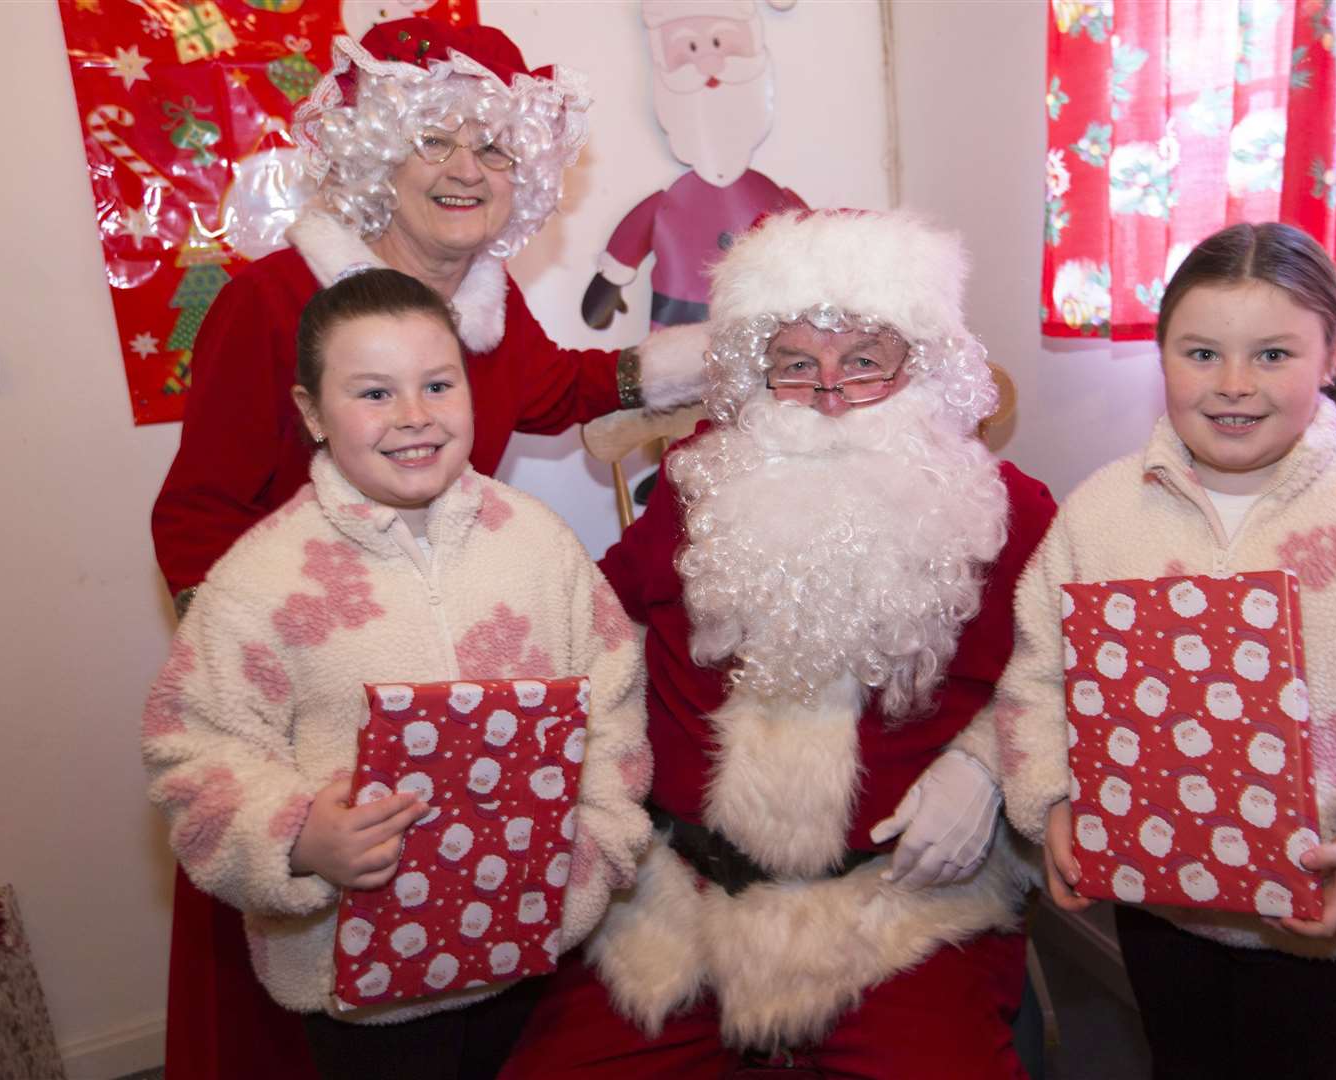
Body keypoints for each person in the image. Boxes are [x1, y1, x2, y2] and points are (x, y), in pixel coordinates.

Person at [148, 19, 697, 1076]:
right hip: (317, 728)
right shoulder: (272, 304)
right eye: (433, 141)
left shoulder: (482, 311)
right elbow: (195, 519)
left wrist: (712, 358)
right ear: (374, 151)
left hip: (462, 719)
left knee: (481, 1019)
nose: (465, 171)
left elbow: (562, 392)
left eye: (492, 149)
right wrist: (259, 701)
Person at [499, 208, 1059, 1078]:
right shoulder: (701, 482)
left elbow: (1069, 670)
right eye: (797, 366)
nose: (830, 394)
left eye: (865, 362)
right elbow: (590, 625)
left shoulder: (1006, 508)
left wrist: (987, 760)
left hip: (898, 919)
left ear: (923, 364)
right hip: (673, 909)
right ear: (756, 376)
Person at [993, 222, 1336, 1080]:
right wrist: (1054, 802)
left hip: (1329, 922)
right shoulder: (1101, 514)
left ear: (1331, 355)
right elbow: (1040, 676)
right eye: (1202, 353)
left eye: (1274, 355)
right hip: (1159, 907)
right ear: (1163, 356)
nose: (1233, 386)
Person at [142, 268, 653, 1080]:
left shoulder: (540, 546)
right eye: (374, 393)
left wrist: (593, 855)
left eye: (437, 385)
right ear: (311, 412)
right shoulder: (260, 581)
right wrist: (296, 838)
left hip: (535, 952)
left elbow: (615, 700)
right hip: (360, 993)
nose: (414, 417)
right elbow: (194, 756)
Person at [581, 0, 805, 331]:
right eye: (691, 48)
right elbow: (638, 229)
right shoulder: (671, 204)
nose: (709, 62)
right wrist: (609, 281)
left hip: (761, 335)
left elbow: (815, 240)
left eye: (719, 43)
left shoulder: (773, 198)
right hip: (679, 333)